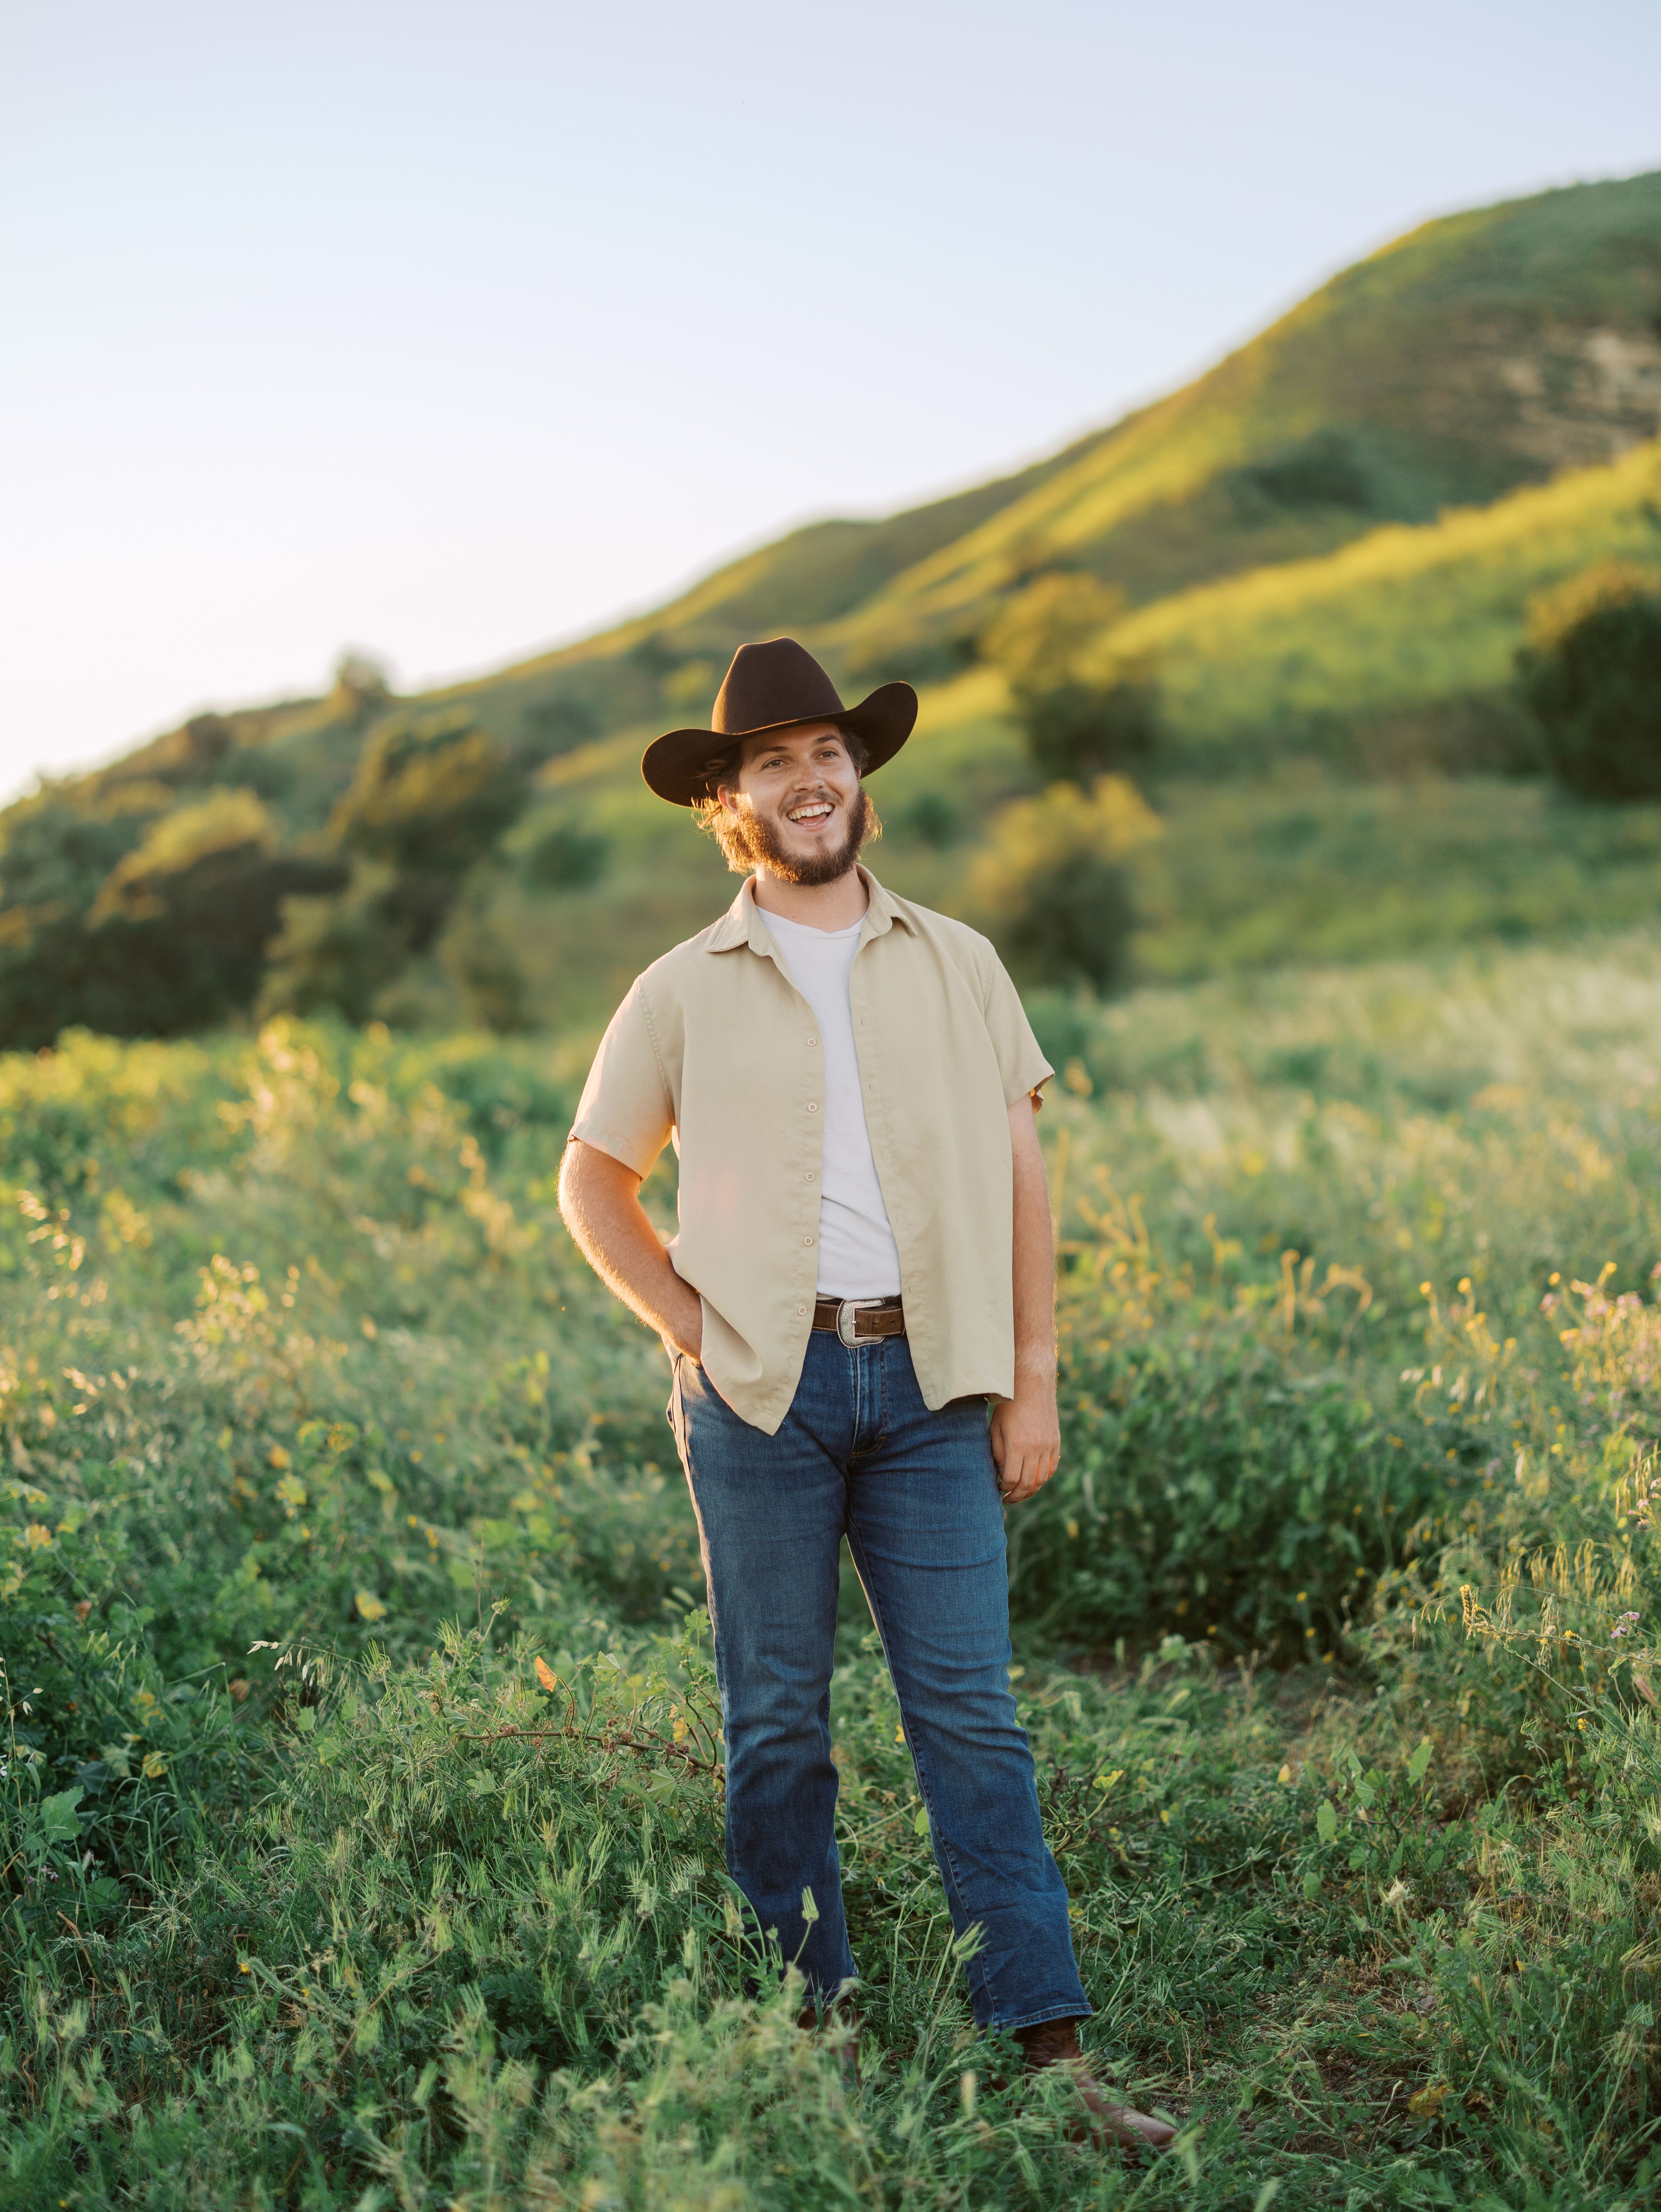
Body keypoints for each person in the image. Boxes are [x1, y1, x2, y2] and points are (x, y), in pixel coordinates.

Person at [558, 636, 1173, 2151]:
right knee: (777, 1724)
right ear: (731, 802)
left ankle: (1051, 2058)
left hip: (931, 1388)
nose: (809, 778)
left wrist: (1033, 1378)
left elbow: (1023, 1173)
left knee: (972, 1717)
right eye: (773, 761)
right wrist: (694, 1330)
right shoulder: (679, 989)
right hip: (756, 1401)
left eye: (827, 751)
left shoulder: (958, 961)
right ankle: (813, 2037)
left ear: (858, 777)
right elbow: (591, 1181)